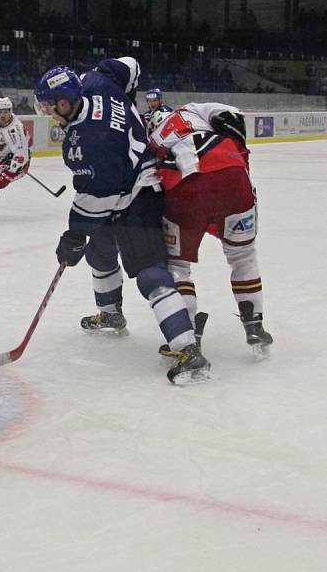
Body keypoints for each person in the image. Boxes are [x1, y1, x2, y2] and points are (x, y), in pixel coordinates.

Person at [34, 61, 210, 385]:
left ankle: (187, 349)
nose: (47, 113)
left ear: (64, 102)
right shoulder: (95, 80)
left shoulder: (87, 145)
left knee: (150, 274)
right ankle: (112, 313)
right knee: (98, 252)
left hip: (138, 197)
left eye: (49, 106)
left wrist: (73, 234)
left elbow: (96, 198)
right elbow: (129, 66)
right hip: (122, 186)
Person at [147, 103, 273, 356]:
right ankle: (254, 324)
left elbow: (149, 181)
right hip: (232, 174)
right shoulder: (193, 109)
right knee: (243, 256)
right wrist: (240, 157)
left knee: (178, 265)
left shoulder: (150, 138)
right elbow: (232, 115)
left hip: (185, 188)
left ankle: (187, 330)